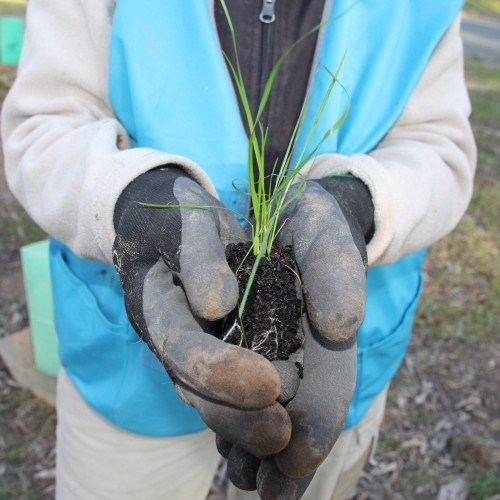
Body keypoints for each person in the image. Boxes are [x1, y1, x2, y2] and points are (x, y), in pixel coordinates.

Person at [2, 0, 476, 499]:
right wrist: (128, 197)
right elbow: (46, 121)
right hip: (130, 359)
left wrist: (360, 202)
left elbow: (437, 144)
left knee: (290, 469)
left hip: (328, 365)